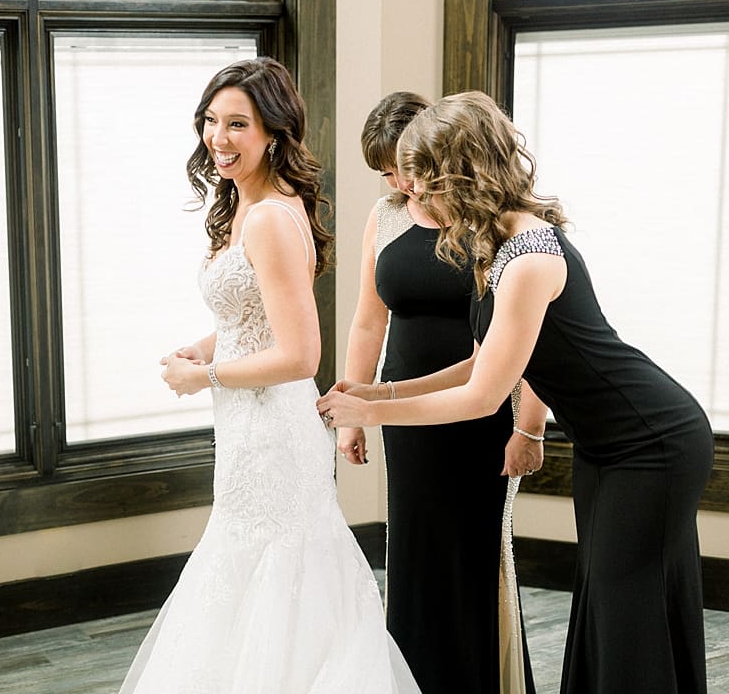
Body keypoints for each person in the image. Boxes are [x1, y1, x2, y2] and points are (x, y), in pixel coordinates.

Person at [319, 90, 714, 694]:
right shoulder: (494, 244)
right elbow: (477, 361)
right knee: (604, 609)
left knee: (623, 606)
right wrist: (377, 397)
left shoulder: (530, 254)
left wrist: (370, 408)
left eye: (426, 184)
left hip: (652, 441)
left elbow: (482, 395)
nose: (415, 198)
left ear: (465, 172)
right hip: (605, 445)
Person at [118, 58, 420, 694]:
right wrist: (202, 350)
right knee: (246, 563)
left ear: (273, 134)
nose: (218, 139)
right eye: (210, 122)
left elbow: (301, 354)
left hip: (272, 428)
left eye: (237, 124)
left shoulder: (270, 219)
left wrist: (207, 378)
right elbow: (249, 314)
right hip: (246, 423)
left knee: (276, 565)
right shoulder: (243, 207)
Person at [335, 91, 540, 694]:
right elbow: (369, 320)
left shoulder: (481, 219)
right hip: (403, 410)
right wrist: (358, 411)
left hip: (482, 408)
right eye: (386, 171)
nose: (398, 181)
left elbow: (530, 342)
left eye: (403, 165)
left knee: (474, 552)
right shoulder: (387, 214)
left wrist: (530, 426)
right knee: (415, 550)